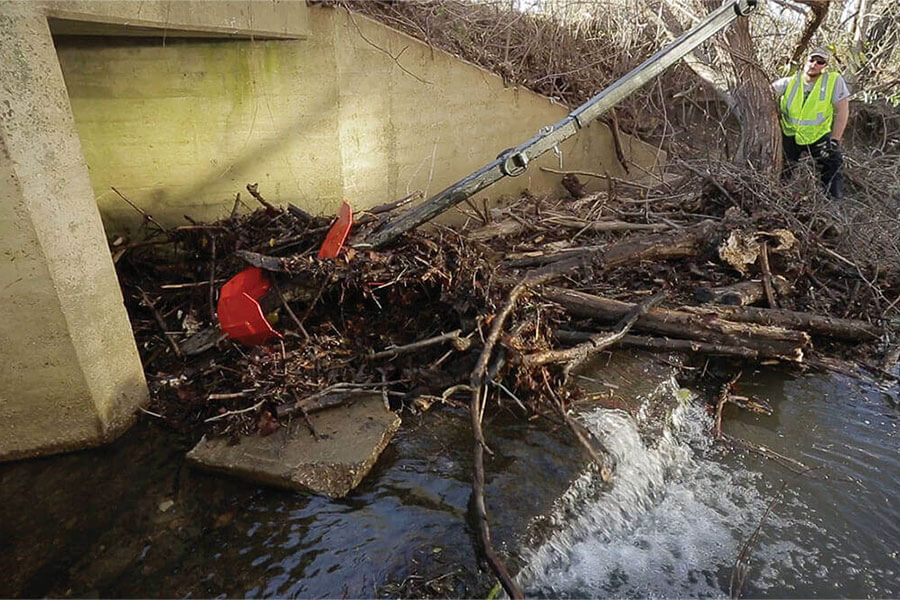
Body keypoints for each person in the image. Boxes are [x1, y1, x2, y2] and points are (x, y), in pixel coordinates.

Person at [772, 47, 850, 199]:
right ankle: (778, 198)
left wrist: (834, 140)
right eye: (812, 60)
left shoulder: (833, 81)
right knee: (783, 169)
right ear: (805, 60)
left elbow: (842, 111)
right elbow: (765, 92)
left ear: (825, 66)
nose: (814, 64)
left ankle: (833, 204)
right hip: (790, 135)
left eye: (820, 62)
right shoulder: (790, 81)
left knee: (833, 163)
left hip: (817, 136)